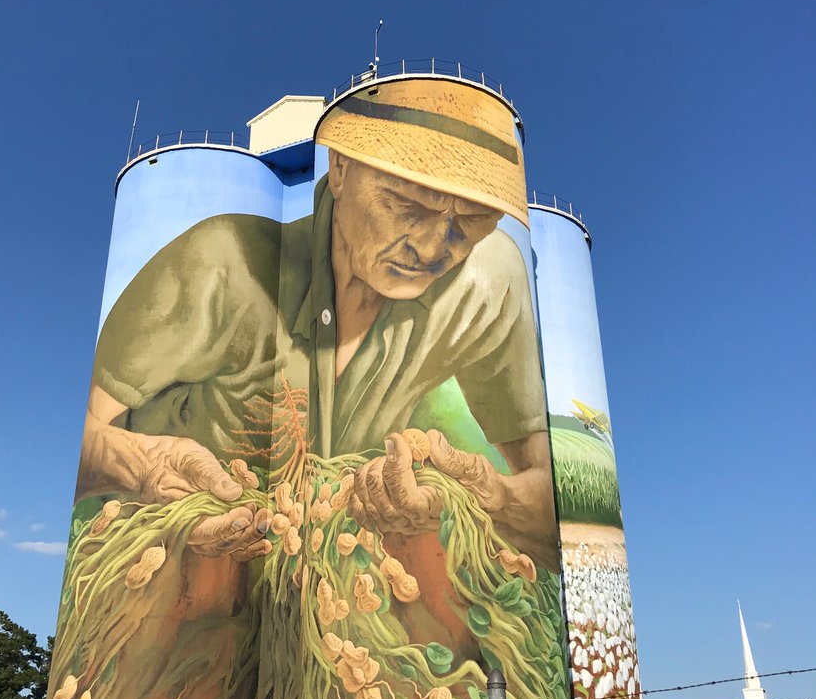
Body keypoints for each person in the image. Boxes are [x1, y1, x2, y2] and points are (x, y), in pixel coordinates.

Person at [75, 78, 559, 574]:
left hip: (332, 590)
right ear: (341, 167)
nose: (435, 249)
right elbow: (82, 441)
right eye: (408, 206)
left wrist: (486, 497)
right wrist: (142, 467)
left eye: (473, 220)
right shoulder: (221, 263)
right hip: (165, 569)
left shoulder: (490, 280)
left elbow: (550, 505)